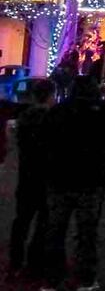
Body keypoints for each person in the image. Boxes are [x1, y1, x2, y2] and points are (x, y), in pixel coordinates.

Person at [37, 77, 105, 291]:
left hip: (59, 178)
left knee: (56, 229)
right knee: (87, 231)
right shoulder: (102, 111)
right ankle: (85, 277)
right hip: (91, 179)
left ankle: (51, 278)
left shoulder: (58, 111)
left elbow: (43, 141)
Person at [8, 82, 55, 280]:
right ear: (50, 96)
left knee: (21, 221)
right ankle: (35, 262)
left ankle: (15, 262)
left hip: (26, 176)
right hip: (45, 177)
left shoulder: (23, 118)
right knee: (43, 223)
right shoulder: (52, 119)